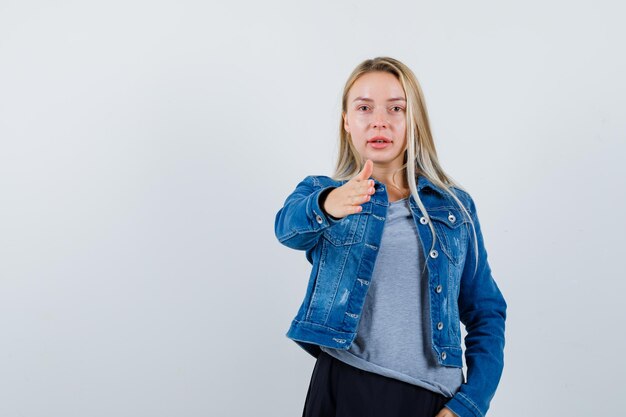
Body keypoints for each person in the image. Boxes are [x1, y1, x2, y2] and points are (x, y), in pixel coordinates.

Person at [274, 57, 507, 417]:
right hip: (344, 383)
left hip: (431, 396)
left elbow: (486, 312)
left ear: (413, 119)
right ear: (347, 121)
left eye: (396, 108)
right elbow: (287, 230)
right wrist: (329, 204)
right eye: (364, 107)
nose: (379, 120)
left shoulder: (454, 207)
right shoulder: (321, 193)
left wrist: (469, 404)